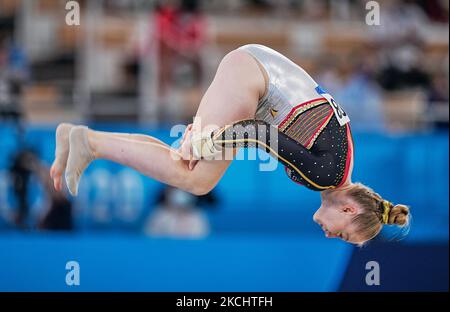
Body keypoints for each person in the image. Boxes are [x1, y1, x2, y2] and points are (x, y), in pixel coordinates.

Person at [50, 44, 410, 245]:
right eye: (344, 236)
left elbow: (266, 128)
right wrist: (209, 143)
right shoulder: (326, 176)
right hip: (256, 78)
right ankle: (90, 144)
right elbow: (258, 133)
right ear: (349, 211)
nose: (332, 237)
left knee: (185, 165)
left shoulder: (339, 168)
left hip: (259, 74)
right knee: (196, 178)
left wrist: (208, 139)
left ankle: (85, 140)